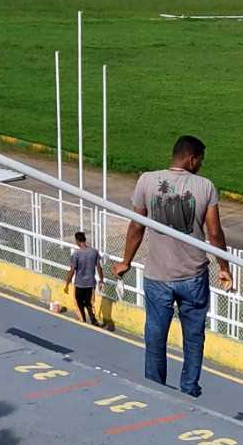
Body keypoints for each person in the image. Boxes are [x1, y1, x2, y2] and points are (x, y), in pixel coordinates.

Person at [113, 135, 232, 398]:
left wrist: (126, 261)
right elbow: (215, 232)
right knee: (193, 337)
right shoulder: (206, 186)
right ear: (191, 158)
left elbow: (136, 225)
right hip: (193, 276)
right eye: (200, 159)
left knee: (155, 336)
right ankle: (189, 389)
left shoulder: (146, 180)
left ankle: (155, 391)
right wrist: (224, 267)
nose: (201, 164)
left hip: (157, 275)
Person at [63, 231, 104, 326]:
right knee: (88, 303)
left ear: (77, 241)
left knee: (79, 303)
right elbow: (99, 267)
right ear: (85, 239)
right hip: (91, 283)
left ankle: (83, 321)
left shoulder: (76, 254)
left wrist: (67, 284)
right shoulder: (94, 252)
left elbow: (72, 271)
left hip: (80, 284)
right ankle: (93, 320)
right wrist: (101, 280)